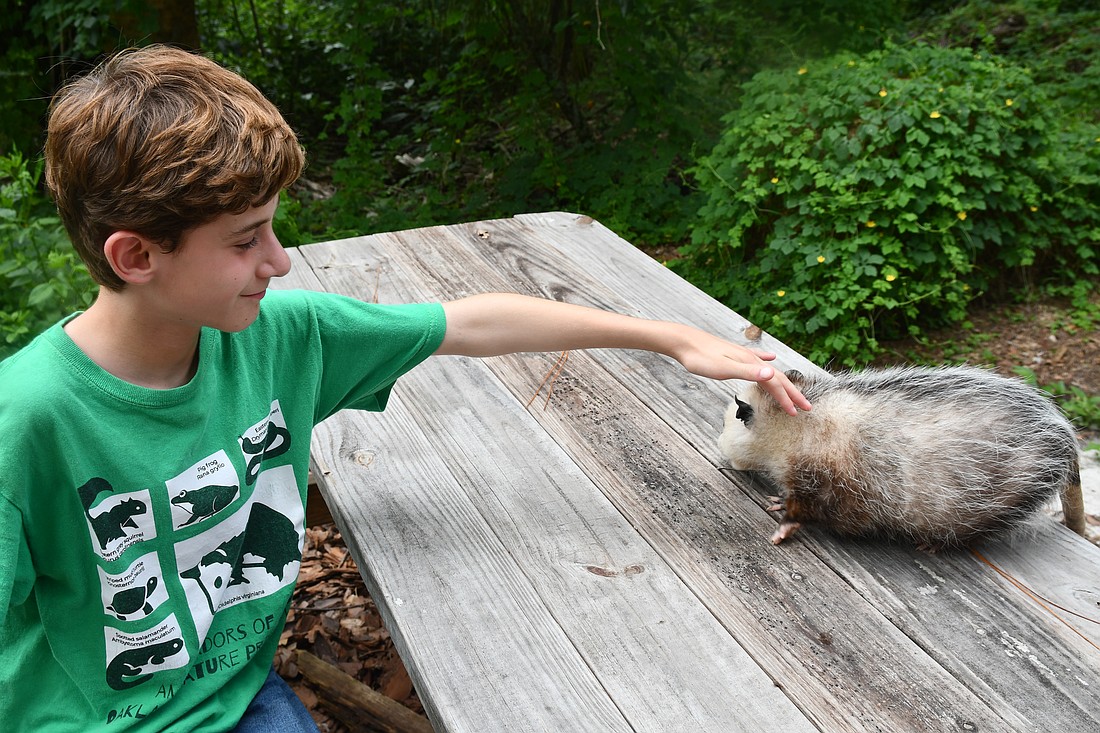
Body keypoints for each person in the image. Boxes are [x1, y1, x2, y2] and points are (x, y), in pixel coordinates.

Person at [0, 45, 810, 732]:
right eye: (246, 240)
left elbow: (469, 322)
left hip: (234, 700)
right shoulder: (25, 419)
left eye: (272, 227)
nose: (279, 260)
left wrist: (668, 336)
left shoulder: (282, 338)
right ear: (137, 256)